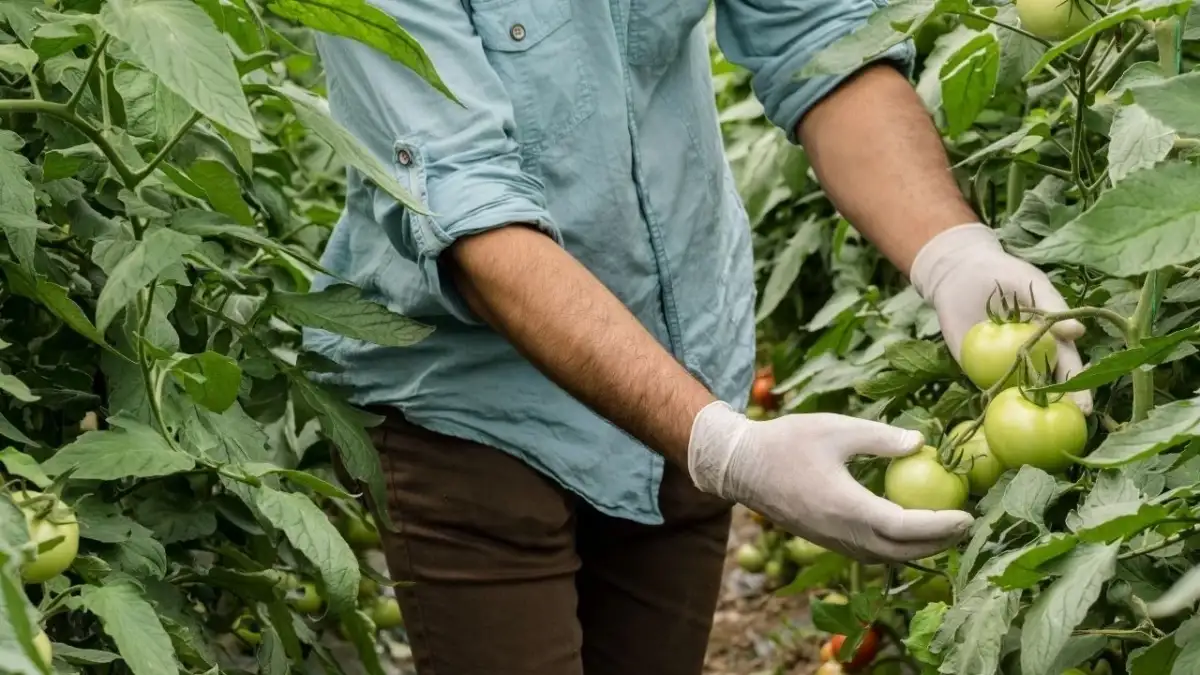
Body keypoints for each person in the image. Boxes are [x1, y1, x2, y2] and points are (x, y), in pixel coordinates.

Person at [305, 0, 1091, 672]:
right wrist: (727, 447)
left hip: (688, 341)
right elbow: (471, 215)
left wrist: (949, 248)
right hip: (474, 413)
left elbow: (817, 33)